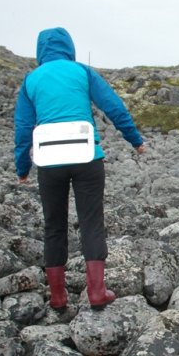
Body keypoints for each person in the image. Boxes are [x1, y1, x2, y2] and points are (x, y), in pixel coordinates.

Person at [14, 27, 145, 312]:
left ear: (41, 51)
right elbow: (113, 106)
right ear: (69, 47)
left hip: (49, 162)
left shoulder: (31, 80)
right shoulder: (82, 72)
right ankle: (97, 291)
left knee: (54, 225)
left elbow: (24, 128)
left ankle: (58, 297)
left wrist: (22, 167)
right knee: (91, 222)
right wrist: (135, 139)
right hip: (87, 157)